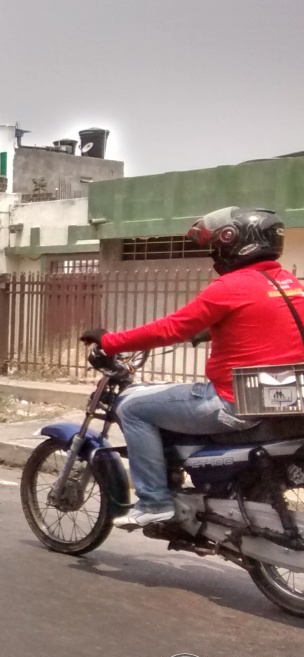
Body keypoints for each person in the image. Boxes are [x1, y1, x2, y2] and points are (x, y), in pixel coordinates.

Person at [80, 207, 302, 528]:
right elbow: (265, 326)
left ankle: (154, 501)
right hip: (284, 398)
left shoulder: (230, 287)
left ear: (237, 244)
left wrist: (111, 341)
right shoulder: (288, 283)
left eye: (218, 245)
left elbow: (171, 328)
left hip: (233, 402)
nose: (215, 253)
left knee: (132, 406)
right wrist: (213, 328)